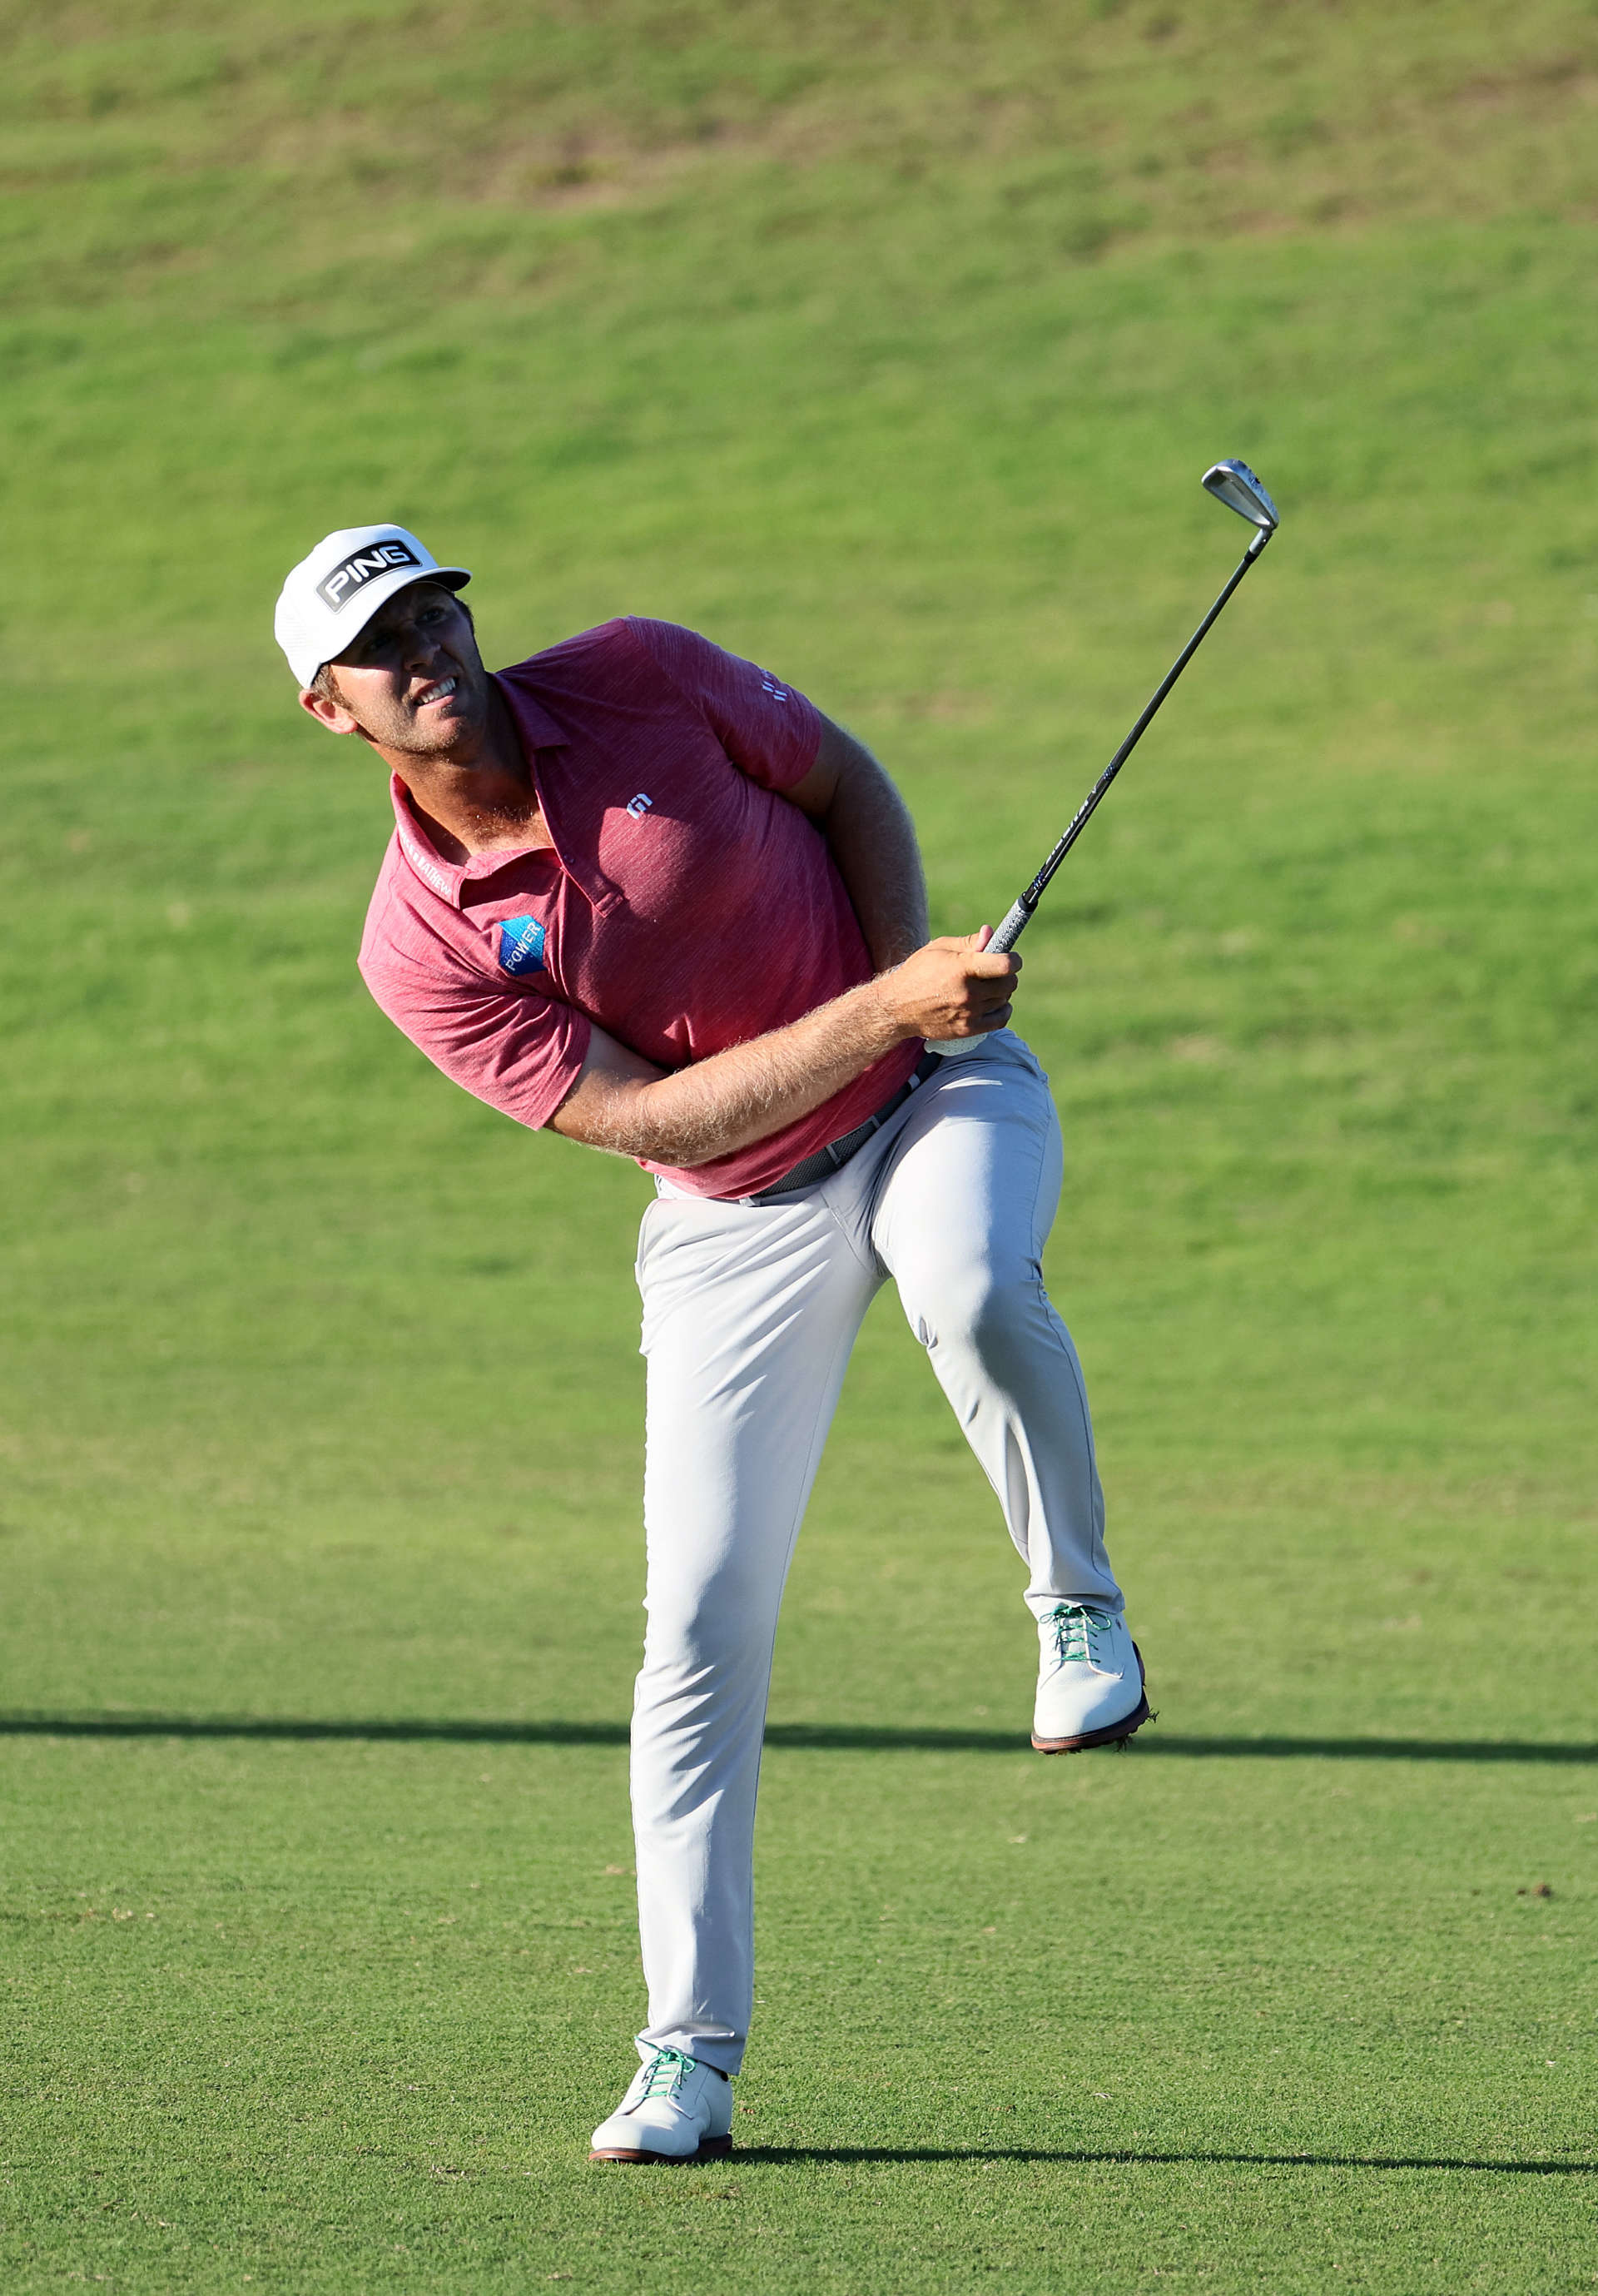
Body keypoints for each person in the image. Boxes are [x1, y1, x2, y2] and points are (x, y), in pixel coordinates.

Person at [274, 523, 1151, 2165]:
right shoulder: (422, 943)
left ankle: (1079, 1604)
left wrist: (907, 989)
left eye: (436, 608)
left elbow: (848, 785)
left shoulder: (640, 675)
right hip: (729, 1211)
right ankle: (687, 2056)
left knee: (965, 1274)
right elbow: (646, 1112)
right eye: (384, 644)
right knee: (692, 1626)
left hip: (933, 1100)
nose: (431, 648)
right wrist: (879, 1010)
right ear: (334, 711)